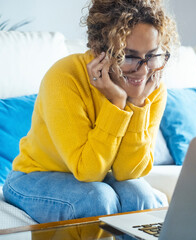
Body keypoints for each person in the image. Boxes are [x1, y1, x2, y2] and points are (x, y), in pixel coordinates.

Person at [3, 0, 179, 223]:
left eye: (152, 55)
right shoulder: (65, 77)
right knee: (97, 199)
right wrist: (116, 103)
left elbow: (128, 172)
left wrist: (137, 103)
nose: (143, 70)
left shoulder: (151, 86)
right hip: (32, 177)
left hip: (98, 178)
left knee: (140, 194)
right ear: (100, 51)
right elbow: (87, 171)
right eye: (130, 56)